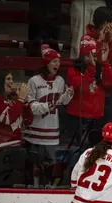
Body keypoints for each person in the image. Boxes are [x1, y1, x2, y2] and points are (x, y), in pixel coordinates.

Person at [24, 45, 73, 188]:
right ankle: (32, 189)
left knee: (50, 166)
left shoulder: (60, 81)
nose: (57, 64)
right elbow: (31, 106)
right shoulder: (34, 81)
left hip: (52, 132)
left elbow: (62, 102)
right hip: (34, 132)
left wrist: (68, 95)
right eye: (54, 61)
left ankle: (48, 190)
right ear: (46, 63)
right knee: (34, 167)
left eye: (58, 61)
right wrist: (47, 106)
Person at [66, 35, 112, 150]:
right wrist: (91, 69)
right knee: (76, 151)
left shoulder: (100, 68)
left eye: (93, 55)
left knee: (94, 151)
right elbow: (81, 86)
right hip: (77, 117)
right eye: (87, 55)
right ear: (82, 56)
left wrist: (105, 62)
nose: (91, 58)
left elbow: (110, 82)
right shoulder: (73, 71)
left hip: (96, 118)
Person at [81, 6, 112, 123]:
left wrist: (110, 41)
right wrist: (100, 40)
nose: (111, 26)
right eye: (109, 22)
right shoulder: (87, 38)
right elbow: (93, 60)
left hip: (111, 90)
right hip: (93, 90)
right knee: (94, 131)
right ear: (100, 23)